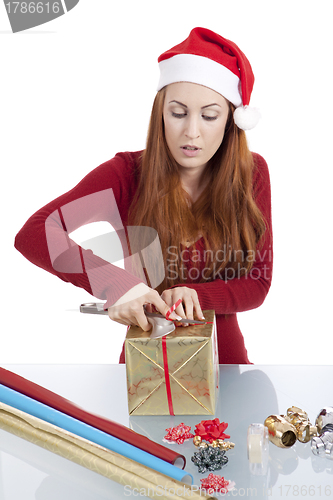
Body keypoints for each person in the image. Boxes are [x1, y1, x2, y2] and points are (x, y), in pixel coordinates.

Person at [14, 27, 272, 364]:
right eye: (178, 113)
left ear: (230, 122)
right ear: (160, 113)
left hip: (227, 364)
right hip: (145, 367)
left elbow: (257, 283)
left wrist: (198, 294)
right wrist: (115, 283)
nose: (191, 131)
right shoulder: (125, 174)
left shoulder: (251, 173)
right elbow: (35, 233)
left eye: (209, 116)